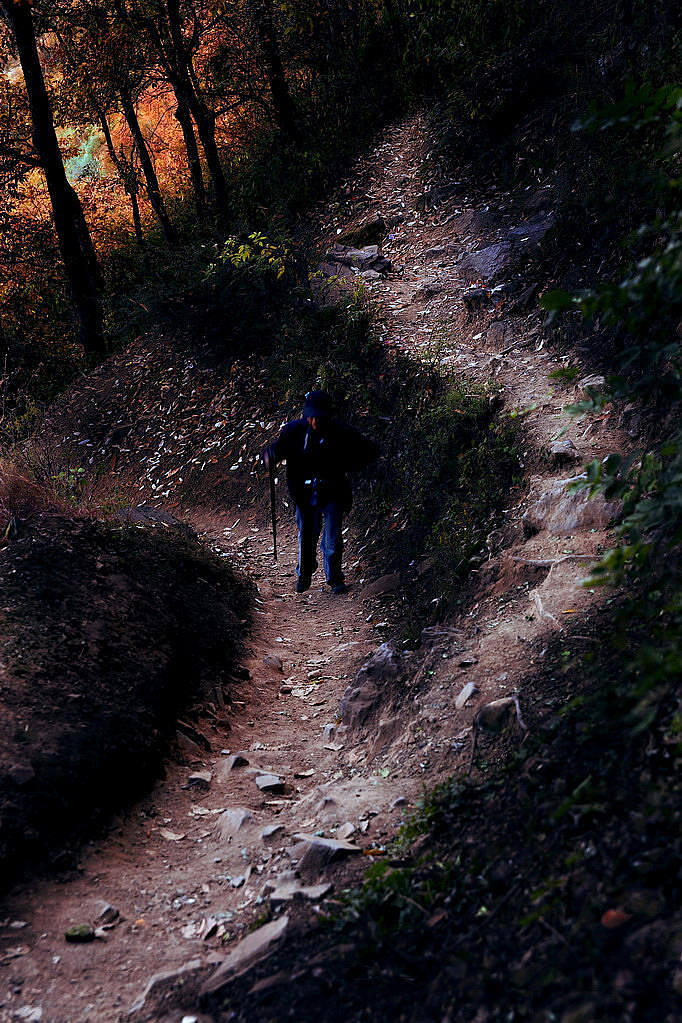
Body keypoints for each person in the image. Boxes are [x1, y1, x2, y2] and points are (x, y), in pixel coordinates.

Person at [262, 390, 378, 594]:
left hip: (334, 490)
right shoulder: (294, 431)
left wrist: (349, 464)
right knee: (307, 534)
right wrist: (270, 455)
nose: (315, 421)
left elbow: (368, 450)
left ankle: (334, 578)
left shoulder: (342, 432)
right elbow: (277, 449)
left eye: (319, 417)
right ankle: (304, 573)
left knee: (332, 537)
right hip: (303, 492)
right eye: (311, 416)